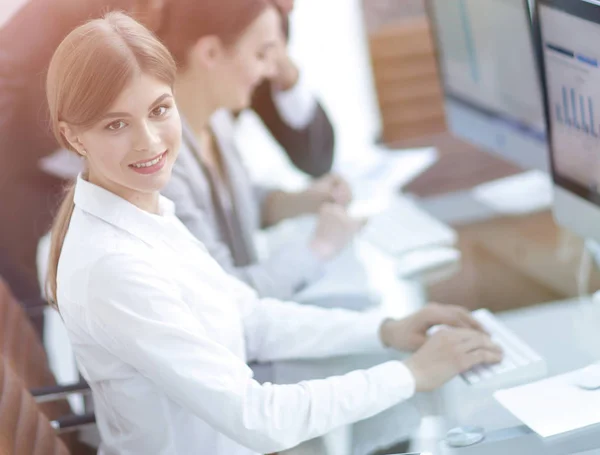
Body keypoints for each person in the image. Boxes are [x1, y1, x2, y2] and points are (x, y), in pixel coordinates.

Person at [47, 11, 502, 455]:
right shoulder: (114, 265)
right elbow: (258, 419)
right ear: (74, 138)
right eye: (116, 124)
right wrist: (412, 374)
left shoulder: (147, 211)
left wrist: (386, 331)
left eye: (159, 109)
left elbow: (250, 320)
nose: (148, 141)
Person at [157, 0, 355, 300]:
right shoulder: (159, 161)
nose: (269, 70)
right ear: (210, 53)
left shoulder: (216, 118)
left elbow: (238, 202)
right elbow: (227, 295)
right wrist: (319, 249)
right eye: (262, 54)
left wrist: (302, 200)